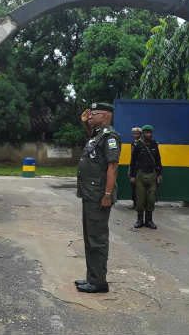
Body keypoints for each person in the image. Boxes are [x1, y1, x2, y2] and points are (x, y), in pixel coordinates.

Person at [74, 102, 120, 294]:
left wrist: (107, 194)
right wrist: (85, 123)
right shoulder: (98, 135)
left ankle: (99, 282)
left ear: (106, 115)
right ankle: (92, 277)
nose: (90, 116)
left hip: (99, 195)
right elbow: (93, 145)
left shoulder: (111, 137)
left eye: (95, 113)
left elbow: (113, 167)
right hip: (89, 194)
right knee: (89, 237)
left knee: (97, 239)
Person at [130, 125, 162, 229]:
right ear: (143, 133)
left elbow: (158, 160)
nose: (148, 134)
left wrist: (159, 174)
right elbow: (133, 161)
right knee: (140, 200)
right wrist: (132, 175)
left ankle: (149, 221)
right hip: (140, 174)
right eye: (146, 132)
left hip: (152, 175)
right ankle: (139, 220)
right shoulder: (138, 145)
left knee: (151, 199)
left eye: (150, 132)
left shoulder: (154, 145)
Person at [128, 127, 142, 209]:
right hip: (133, 166)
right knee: (133, 185)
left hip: (140, 167)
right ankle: (135, 203)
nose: (135, 135)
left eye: (137, 133)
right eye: (134, 133)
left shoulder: (143, 143)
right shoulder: (133, 143)